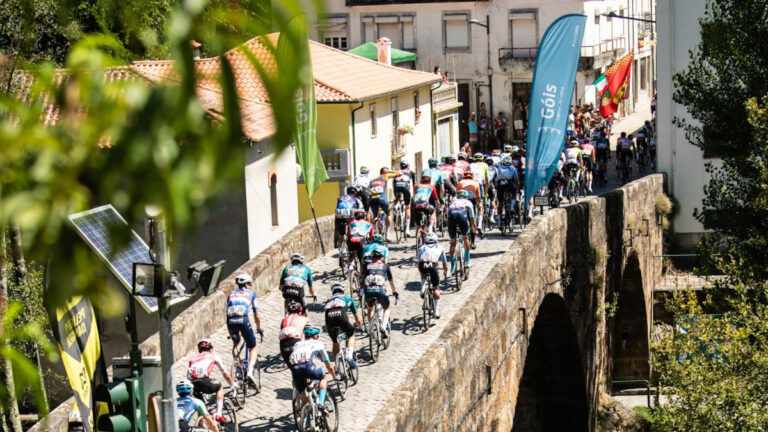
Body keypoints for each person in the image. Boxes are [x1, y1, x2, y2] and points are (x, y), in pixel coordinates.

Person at [289, 325, 338, 412]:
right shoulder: (318, 344)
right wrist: (334, 376)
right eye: (318, 336)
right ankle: (321, 404)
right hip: (307, 365)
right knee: (323, 377)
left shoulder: (297, 344)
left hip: (294, 368)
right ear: (315, 336)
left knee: (304, 399)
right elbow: (329, 365)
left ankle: (306, 423)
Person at [187, 339, 237, 425]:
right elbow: (225, 373)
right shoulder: (213, 355)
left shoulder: (192, 358)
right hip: (204, 380)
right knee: (219, 387)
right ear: (210, 349)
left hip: (192, 384)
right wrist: (232, 384)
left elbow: (192, 372)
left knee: (201, 412)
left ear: (199, 350)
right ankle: (218, 413)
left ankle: (202, 426)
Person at [226, 273, 263, 384]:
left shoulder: (231, 294)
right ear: (247, 285)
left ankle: (237, 367)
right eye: (249, 284)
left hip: (230, 321)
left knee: (236, 344)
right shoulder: (251, 294)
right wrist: (259, 327)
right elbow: (256, 313)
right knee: (252, 347)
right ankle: (250, 371)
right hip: (243, 320)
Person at [324, 283, 363, 368]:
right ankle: (349, 357)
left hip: (329, 319)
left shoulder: (328, 300)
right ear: (343, 291)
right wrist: (361, 327)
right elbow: (357, 318)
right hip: (341, 316)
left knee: (335, 343)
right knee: (351, 335)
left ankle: (337, 367)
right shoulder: (348, 298)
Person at [361, 249, 398, 337]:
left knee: (370, 309)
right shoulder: (385, 266)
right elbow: (391, 281)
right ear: (381, 257)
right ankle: (383, 326)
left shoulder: (366, 265)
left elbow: (362, 279)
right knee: (387, 308)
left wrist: (362, 292)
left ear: (372, 257)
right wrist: (394, 291)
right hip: (380, 290)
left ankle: (371, 330)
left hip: (368, 290)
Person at [417, 232, 448, 319]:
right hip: (433, 266)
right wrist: (445, 272)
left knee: (423, 273)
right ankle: (436, 311)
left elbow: (418, 263)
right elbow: (445, 264)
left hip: (423, 265)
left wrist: (421, 271)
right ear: (436, 241)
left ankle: (423, 287)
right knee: (436, 288)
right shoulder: (440, 248)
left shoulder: (421, 248)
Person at [368, 167, 400, 239]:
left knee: (375, 216)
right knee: (388, 213)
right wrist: (391, 171)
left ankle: (371, 233)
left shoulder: (373, 179)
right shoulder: (385, 175)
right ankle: (388, 234)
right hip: (381, 197)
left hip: (372, 199)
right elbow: (399, 174)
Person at [447, 190, 475, 270]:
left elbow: (448, 213)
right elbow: (472, 219)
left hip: (452, 214)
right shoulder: (468, 202)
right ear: (466, 197)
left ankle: (452, 267)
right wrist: (473, 228)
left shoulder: (453, 201)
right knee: (465, 237)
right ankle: (468, 261)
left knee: (452, 242)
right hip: (462, 214)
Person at [279, 301, 310, 365]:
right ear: (300, 311)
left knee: (293, 369)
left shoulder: (284, 319)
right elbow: (310, 333)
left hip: (283, 344)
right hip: (296, 342)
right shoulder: (305, 319)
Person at [457, 171, 482, 247]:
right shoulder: (476, 183)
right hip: (472, 201)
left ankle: (459, 229)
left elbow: (457, 194)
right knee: (473, 221)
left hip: (461, 201)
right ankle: (473, 242)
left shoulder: (460, 183)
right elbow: (478, 197)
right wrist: (479, 205)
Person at [394, 161, 416, 236]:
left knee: (397, 198)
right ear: (407, 166)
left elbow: (394, 183)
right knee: (408, 208)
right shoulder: (411, 173)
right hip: (406, 189)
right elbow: (414, 185)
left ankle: (395, 207)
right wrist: (414, 194)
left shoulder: (397, 172)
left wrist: (395, 195)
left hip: (397, 188)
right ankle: (407, 230)